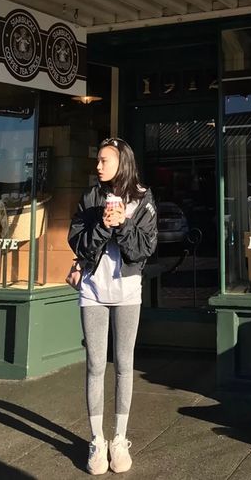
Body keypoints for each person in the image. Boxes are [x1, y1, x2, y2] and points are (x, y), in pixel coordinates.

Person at [68, 137, 157, 475]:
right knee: (94, 364)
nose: (98, 166)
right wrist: (103, 225)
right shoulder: (90, 197)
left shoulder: (144, 198)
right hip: (92, 289)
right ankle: (96, 440)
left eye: (104, 160)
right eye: (97, 160)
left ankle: (119, 440)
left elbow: (144, 249)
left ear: (123, 162)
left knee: (123, 364)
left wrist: (122, 225)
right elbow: (77, 241)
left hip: (127, 292)